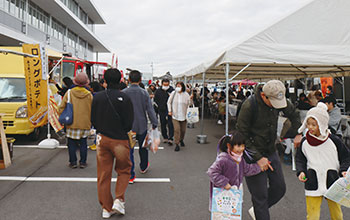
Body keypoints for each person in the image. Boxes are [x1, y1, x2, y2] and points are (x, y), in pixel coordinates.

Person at [236, 80, 302, 220]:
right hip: (252, 155)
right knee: (260, 196)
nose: (276, 106)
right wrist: (258, 158)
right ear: (263, 95)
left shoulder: (278, 99)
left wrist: (298, 132)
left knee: (279, 188)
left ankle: (259, 210)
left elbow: (294, 114)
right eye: (272, 102)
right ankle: (260, 211)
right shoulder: (249, 105)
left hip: (271, 150)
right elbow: (241, 135)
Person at [91, 68, 134, 218]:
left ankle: (106, 208)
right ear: (120, 80)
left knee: (103, 174)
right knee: (124, 169)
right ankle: (119, 199)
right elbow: (129, 123)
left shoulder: (97, 98)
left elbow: (93, 120)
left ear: (105, 80)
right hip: (120, 140)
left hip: (102, 139)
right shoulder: (125, 98)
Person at [296, 102, 350, 220]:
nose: (310, 127)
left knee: (337, 214)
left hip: (332, 181)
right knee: (312, 215)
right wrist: (301, 171)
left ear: (322, 124)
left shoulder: (334, 140)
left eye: (314, 125)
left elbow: (346, 157)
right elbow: (300, 159)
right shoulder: (304, 142)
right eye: (308, 124)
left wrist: (344, 170)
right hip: (312, 181)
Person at [207, 131, 261, 211]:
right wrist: (224, 183)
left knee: (233, 213)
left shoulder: (240, 159)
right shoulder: (223, 159)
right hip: (223, 192)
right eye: (238, 146)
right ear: (229, 146)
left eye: (243, 145)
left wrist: (259, 167)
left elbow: (247, 169)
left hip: (234, 192)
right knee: (222, 213)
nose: (241, 148)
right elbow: (212, 172)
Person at [123, 70, 158, 183]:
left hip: (129, 127)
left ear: (129, 79)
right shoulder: (144, 93)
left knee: (129, 150)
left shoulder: (124, 92)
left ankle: (131, 175)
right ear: (140, 80)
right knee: (143, 148)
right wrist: (154, 123)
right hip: (142, 125)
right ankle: (143, 167)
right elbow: (150, 110)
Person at [58, 72, 93, 169]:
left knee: (71, 143)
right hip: (85, 122)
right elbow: (93, 108)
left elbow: (61, 107)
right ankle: (83, 162)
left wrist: (61, 116)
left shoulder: (69, 93)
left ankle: (73, 162)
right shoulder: (89, 95)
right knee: (83, 143)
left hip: (71, 122)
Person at [168, 81, 191, 151]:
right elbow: (169, 102)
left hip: (184, 114)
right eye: (177, 86)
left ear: (182, 87)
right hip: (175, 114)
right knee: (177, 129)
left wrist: (191, 99)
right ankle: (177, 143)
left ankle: (181, 139)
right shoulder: (173, 93)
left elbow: (189, 104)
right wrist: (170, 111)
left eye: (179, 86)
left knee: (183, 130)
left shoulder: (186, 94)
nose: (178, 87)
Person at [154, 79, 175, 145]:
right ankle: (165, 137)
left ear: (169, 84)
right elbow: (155, 100)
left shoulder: (172, 91)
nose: (165, 86)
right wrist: (158, 107)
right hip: (161, 109)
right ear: (162, 84)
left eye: (167, 84)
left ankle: (171, 138)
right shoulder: (158, 91)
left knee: (170, 124)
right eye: (164, 85)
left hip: (170, 110)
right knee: (163, 123)